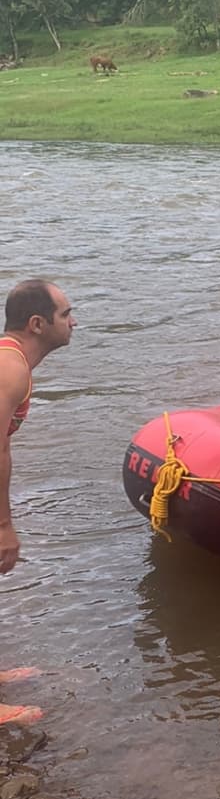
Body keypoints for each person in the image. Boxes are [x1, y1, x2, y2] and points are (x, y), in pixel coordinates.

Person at [1, 278, 75, 725]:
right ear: (37, 323)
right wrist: (3, 525)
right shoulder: (10, 367)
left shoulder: (12, 361)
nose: (74, 322)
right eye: (66, 314)